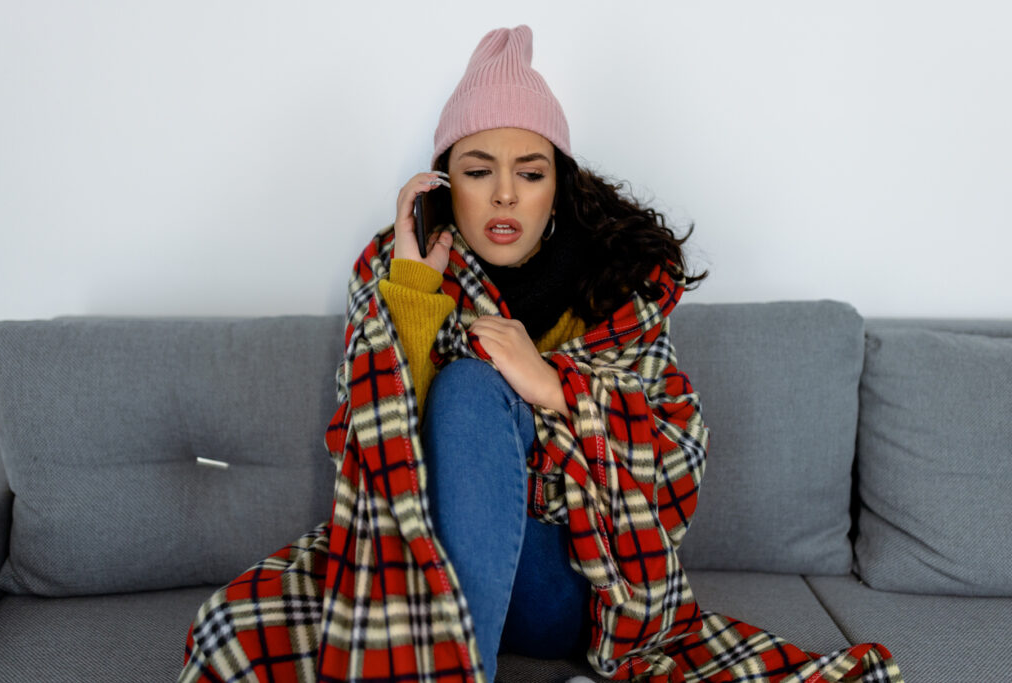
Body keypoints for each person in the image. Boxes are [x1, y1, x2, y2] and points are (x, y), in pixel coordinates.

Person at [179, 24, 903, 683]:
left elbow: (678, 453)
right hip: (432, 568)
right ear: (443, 181)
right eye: (475, 169)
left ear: (558, 185)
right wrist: (414, 292)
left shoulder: (617, 288)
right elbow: (375, 448)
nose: (503, 196)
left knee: (470, 386)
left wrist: (556, 388)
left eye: (529, 172)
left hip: (575, 587)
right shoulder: (396, 271)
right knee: (238, 627)